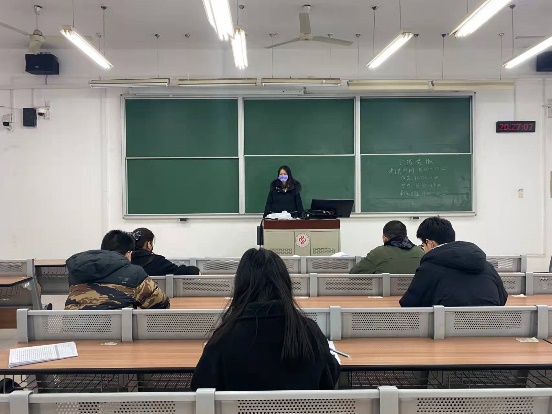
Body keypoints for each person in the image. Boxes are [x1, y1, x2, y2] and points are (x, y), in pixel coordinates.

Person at [191, 248, 340, 391]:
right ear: (284, 284)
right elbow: (329, 380)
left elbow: (201, 387)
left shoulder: (223, 339)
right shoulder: (309, 332)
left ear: (240, 286)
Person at [400, 217, 508, 307]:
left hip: (446, 326)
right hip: (490, 325)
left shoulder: (428, 268)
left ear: (430, 243)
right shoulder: (486, 265)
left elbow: (409, 304)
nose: (423, 250)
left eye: (423, 246)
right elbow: (502, 298)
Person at [65, 230, 170, 310]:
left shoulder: (77, 270)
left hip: (74, 330)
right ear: (128, 254)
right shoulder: (134, 273)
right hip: (118, 331)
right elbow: (161, 304)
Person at [349, 220, 424, 274]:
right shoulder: (421, 253)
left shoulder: (377, 253)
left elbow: (354, 273)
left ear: (384, 238)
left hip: (386, 292)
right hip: (417, 292)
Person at [130, 228, 200, 275]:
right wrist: (195, 270)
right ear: (148, 244)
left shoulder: (125, 261)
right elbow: (180, 272)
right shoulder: (158, 262)